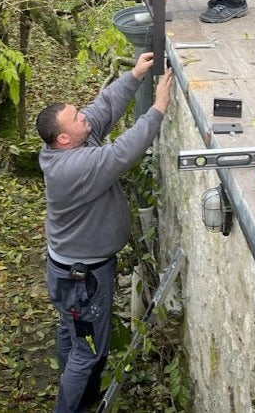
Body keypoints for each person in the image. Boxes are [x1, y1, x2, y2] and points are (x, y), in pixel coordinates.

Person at [36, 53, 174, 413]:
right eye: (77, 118)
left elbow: (103, 107)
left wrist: (134, 76)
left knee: (71, 333)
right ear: (64, 138)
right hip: (83, 280)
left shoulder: (71, 142)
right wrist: (158, 106)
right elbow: (122, 152)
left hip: (69, 270)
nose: (85, 117)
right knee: (88, 350)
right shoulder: (74, 166)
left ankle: (73, 393)